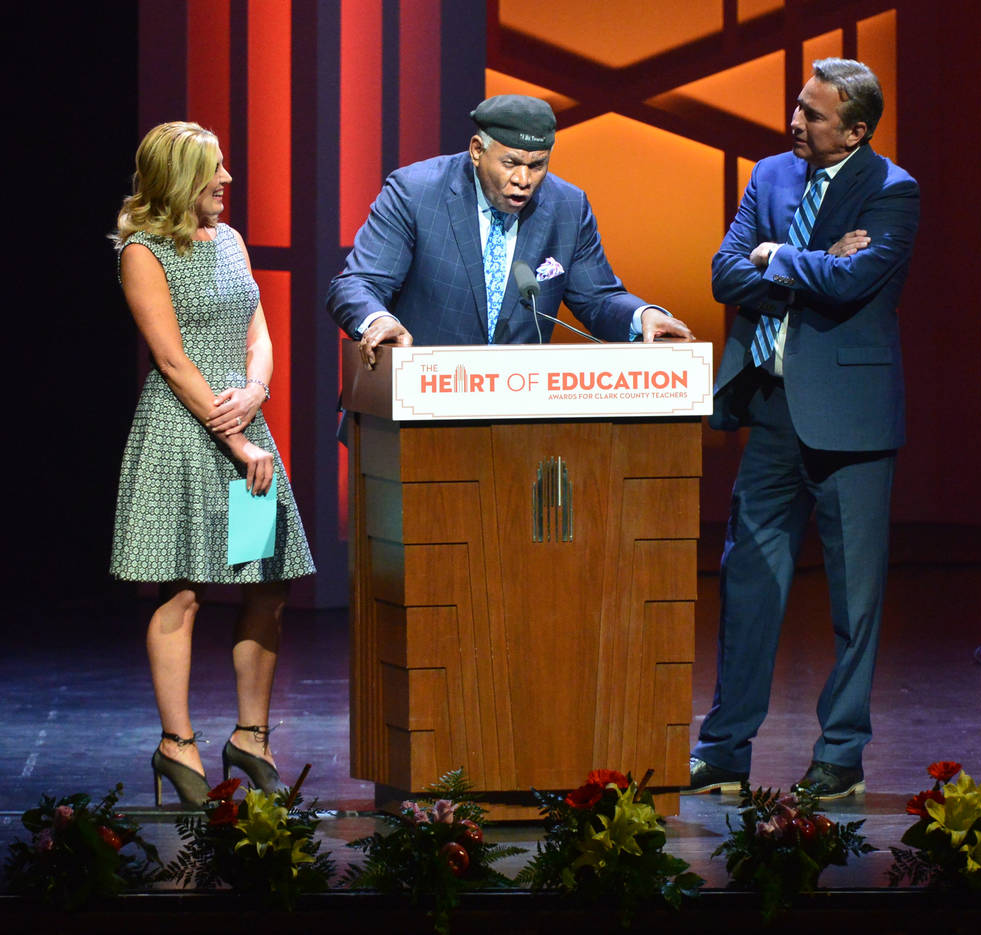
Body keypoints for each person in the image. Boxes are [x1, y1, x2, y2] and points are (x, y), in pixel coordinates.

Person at [687, 59, 920, 799]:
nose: (796, 123)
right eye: (798, 106)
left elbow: (855, 283)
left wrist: (779, 255)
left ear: (855, 128)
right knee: (749, 580)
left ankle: (841, 754)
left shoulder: (892, 191)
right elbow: (726, 272)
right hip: (773, 409)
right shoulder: (771, 176)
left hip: (851, 423)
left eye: (814, 115)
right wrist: (808, 262)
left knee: (854, 600)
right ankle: (725, 749)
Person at [110, 122, 315, 806]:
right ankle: (177, 745)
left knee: (264, 581)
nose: (227, 180)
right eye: (212, 170)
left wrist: (257, 391)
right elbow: (170, 359)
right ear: (176, 180)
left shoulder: (230, 241)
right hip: (181, 436)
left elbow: (258, 331)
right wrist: (239, 439)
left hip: (243, 430)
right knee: (184, 590)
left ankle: (250, 736)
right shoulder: (143, 250)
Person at [326, 94, 694, 358]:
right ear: (476, 150)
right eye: (511, 162)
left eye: (537, 165)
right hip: (415, 406)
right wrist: (377, 321)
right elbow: (357, 284)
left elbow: (597, 298)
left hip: (516, 416)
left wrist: (643, 314)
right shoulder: (416, 192)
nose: (524, 179)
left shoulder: (568, 206)